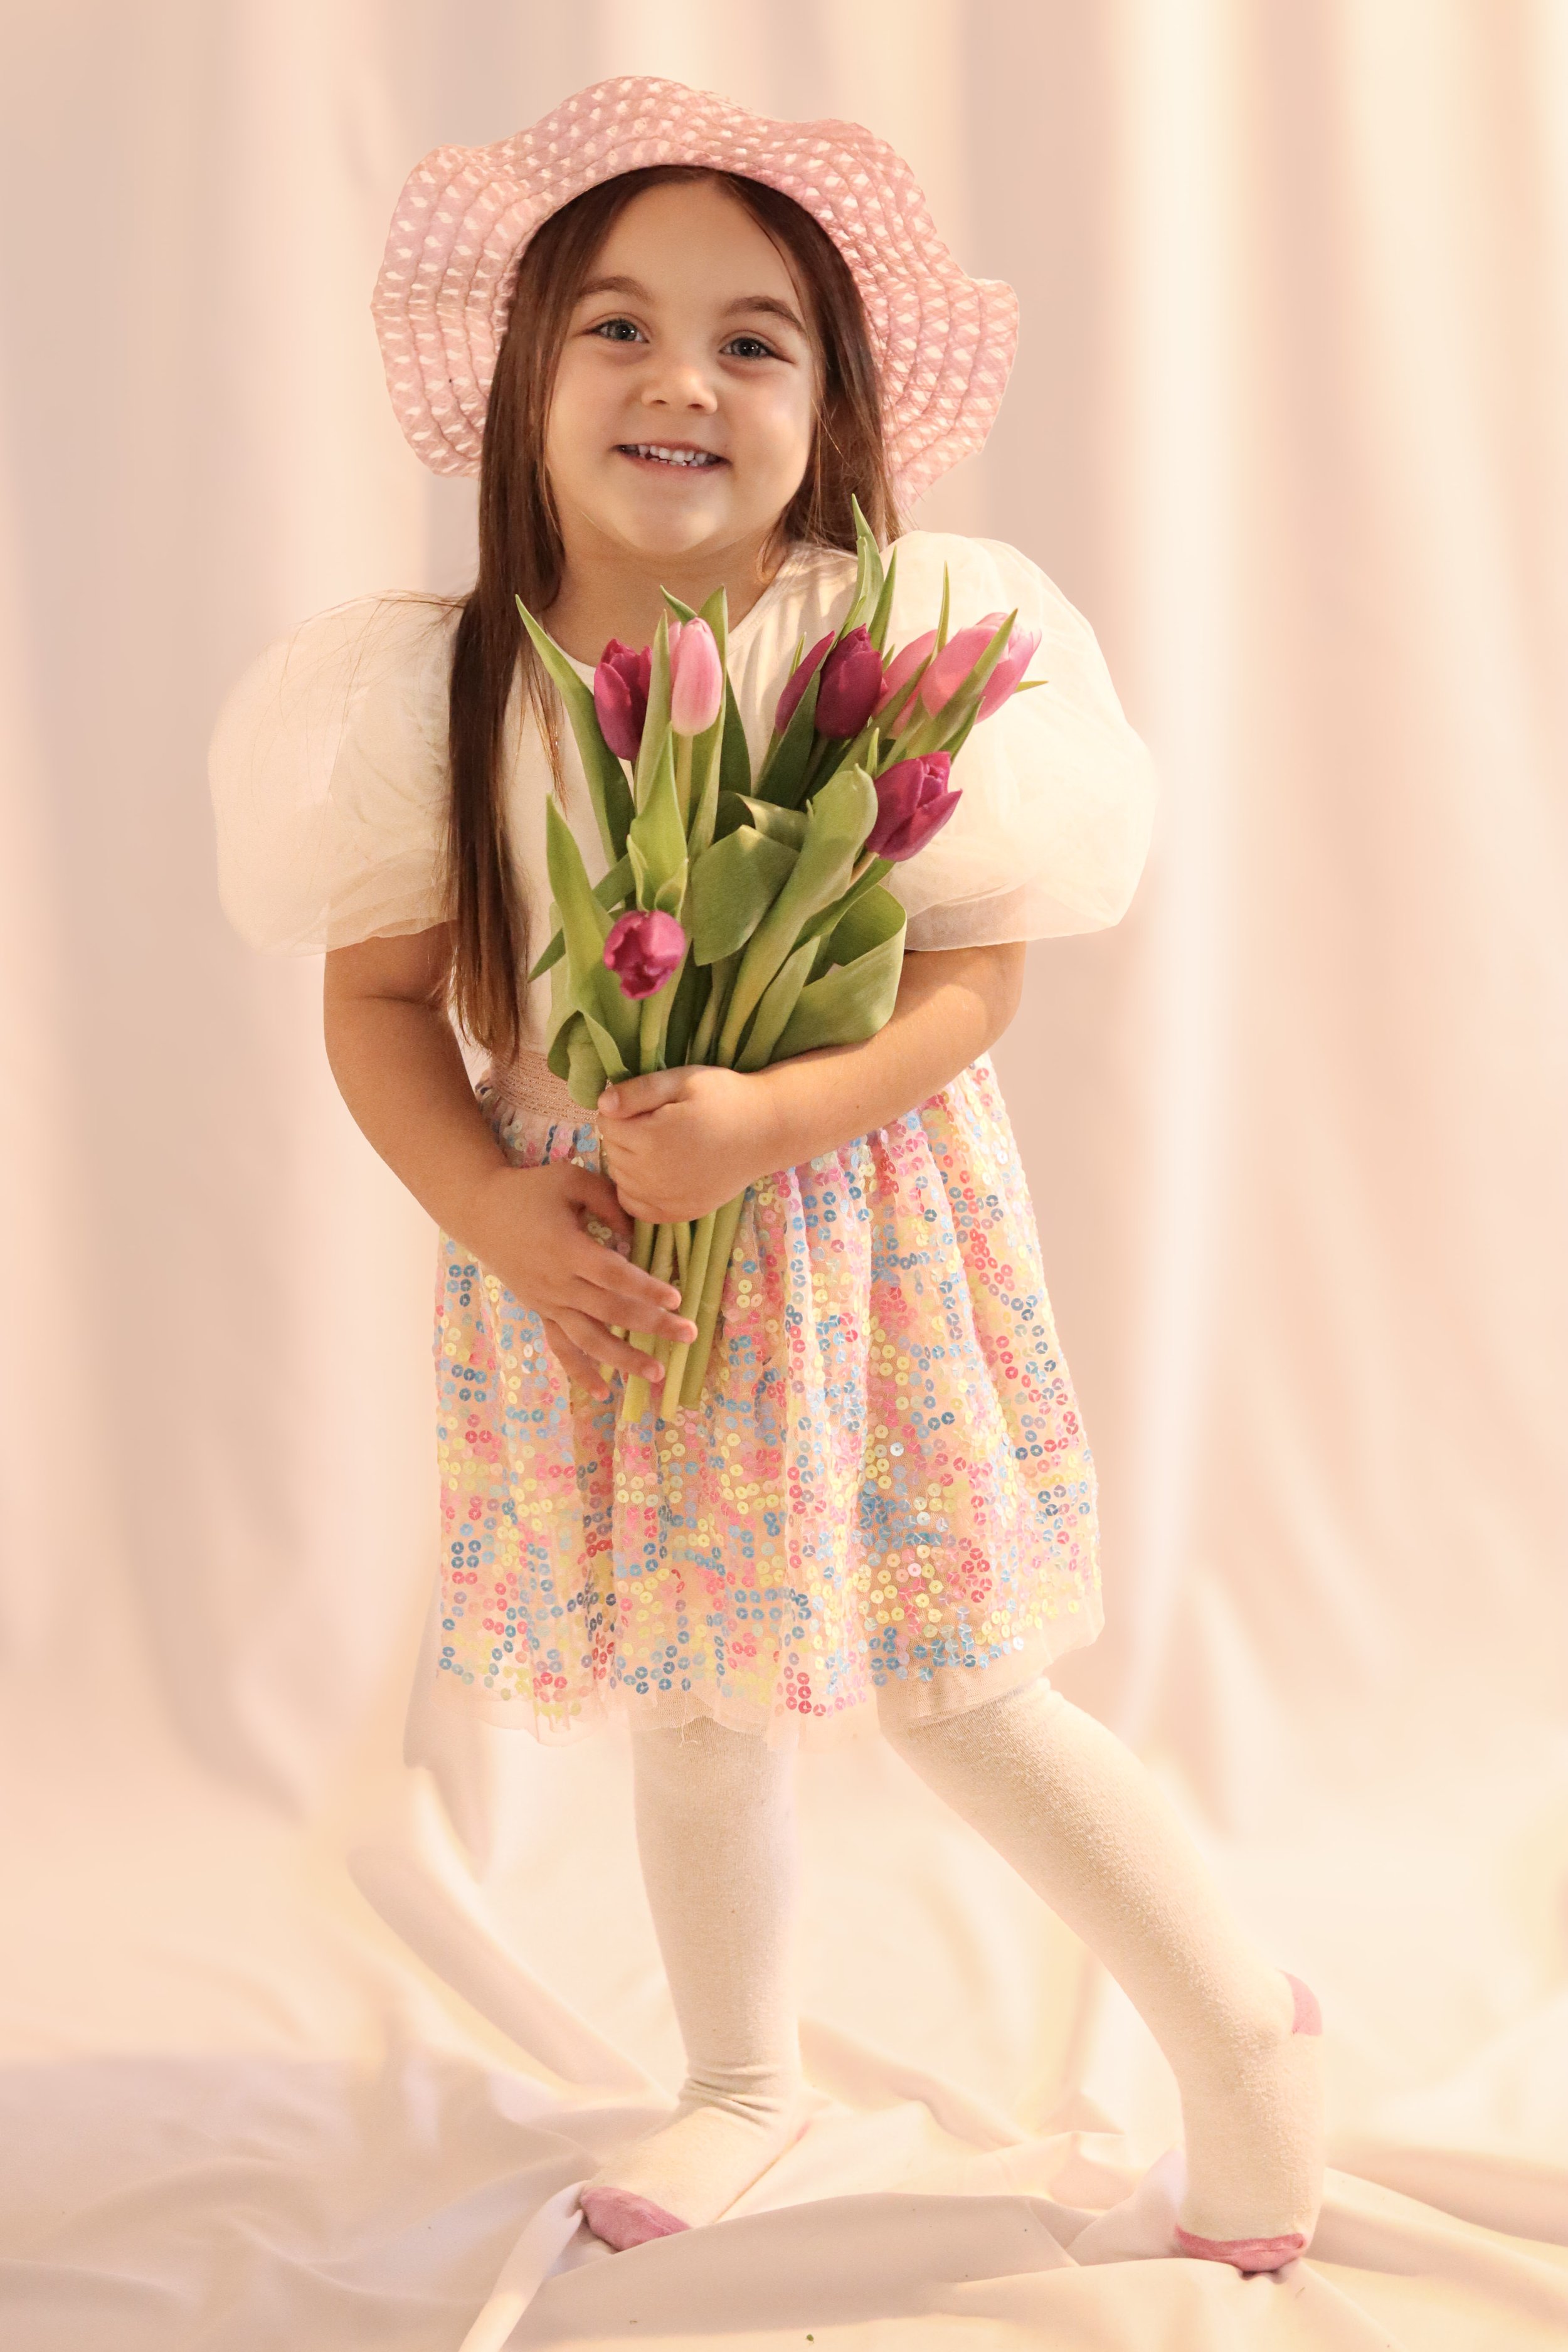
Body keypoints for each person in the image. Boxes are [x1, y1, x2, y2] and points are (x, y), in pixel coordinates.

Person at [208, 76, 1324, 2272]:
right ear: (519, 380)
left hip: (847, 1250)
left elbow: (970, 982)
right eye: (615, 326)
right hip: (602, 1264)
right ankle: (740, 2077)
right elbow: (377, 1009)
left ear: (834, 405)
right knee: (691, 1682)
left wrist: (777, 1120)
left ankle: (1239, 2030)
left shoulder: (879, 647)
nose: (678, 379)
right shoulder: (437, 695)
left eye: (751, 339)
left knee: (956, 1686)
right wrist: (496, 1208)